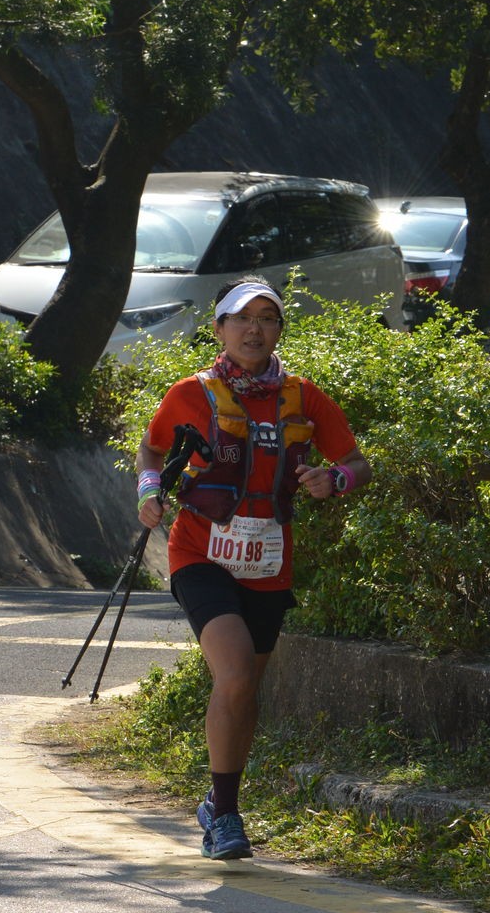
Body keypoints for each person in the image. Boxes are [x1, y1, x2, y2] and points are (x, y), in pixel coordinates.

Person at [137, 278, 370, 860]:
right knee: (237, 670)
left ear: (279, 330)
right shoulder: (191, 393)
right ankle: (226, 817)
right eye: (242, 318)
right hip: (200, 554)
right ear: (219, 328)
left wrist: (334, 479)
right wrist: (148, 490)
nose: (254, 329)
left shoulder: (304, 397)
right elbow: (152, 450)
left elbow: (355, 462)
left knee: (245, 690)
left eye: (267, 318)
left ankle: (218, 803)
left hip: (268, 563)